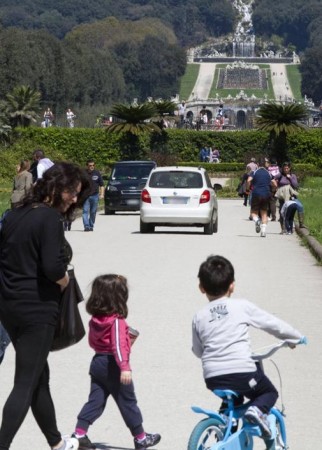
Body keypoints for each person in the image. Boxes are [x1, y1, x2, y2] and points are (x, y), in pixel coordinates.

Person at [0, 162, 91, 450]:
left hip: (9, 307)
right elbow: (53, 267)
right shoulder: (49, 219)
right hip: (37, 309)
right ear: (57, 188)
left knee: (39, 376)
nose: (75, 200)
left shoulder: (15, 214)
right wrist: (64, 281)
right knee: (26, 382)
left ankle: (55, 442)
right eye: (73, 193)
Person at [192, 255, 305, 439]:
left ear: (201, 288)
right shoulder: (241, 306)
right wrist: (295, 337)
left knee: (233, 400)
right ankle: (255, 411)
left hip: (212, 378)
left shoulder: (199, 316)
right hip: (242, 373)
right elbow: (272, 324)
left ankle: (225, 431)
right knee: (268, 392)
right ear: (232, 285)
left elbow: (198, 351)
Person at [71, 274, 161, 450]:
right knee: (127, 401)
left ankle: (79, 433)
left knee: (95, 401)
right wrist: (125, 367)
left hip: (97, 362)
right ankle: (141, 437)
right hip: (114, 365)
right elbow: (119, 347)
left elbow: (92, 342)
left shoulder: (95, 319)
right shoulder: (117, 321)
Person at [246, 157, 277, 237]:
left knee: (253, 213)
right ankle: (263, 231)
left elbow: (249, 180)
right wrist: (273, 191)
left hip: (256, 193)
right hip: (266, 194)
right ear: (266, 164)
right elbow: (275, 184)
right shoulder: (269, 173)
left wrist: (248, 189)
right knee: (264, 213)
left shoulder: (254, 172)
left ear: (257, 164)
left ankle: (256, 221)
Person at [82, 160, 104, 232]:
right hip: (86, 196)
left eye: (93, 165)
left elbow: (102, 185)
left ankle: (91, 225)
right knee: (85, 211)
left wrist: (102, 194)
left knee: (93, 212)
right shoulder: (84, 173)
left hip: (95, 195)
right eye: (90, 165)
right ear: (87, 166)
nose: (91, 167)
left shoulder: (97, 173)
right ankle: (86, 226)